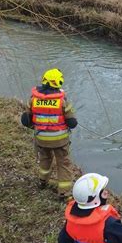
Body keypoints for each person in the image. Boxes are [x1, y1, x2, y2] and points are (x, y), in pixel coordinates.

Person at [21, 68, 77, 198]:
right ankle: (64, 192)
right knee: (63, 163)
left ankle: (42, 181)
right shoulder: (62, 101)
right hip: (60, 141)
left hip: (41, 138)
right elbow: (72, 123)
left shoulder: (33, 99)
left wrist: (35, 127)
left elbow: (25, 120)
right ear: (59, 83)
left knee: (45, 159)